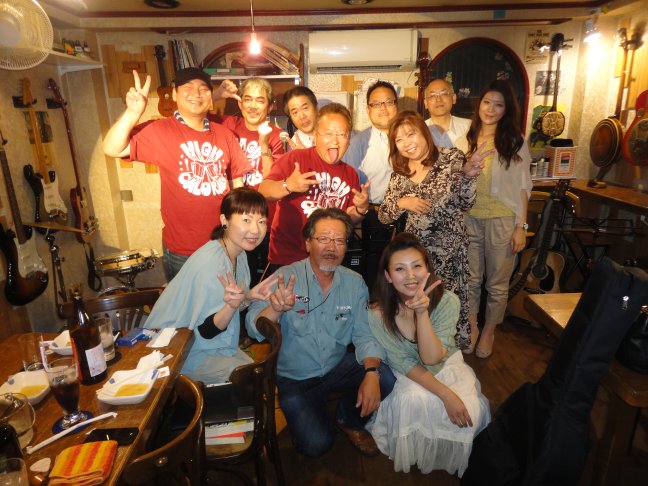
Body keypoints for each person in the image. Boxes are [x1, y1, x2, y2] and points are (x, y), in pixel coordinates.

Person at [246, 208, 396, 457]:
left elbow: (364, 334)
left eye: (339, 240)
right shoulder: (285, 276)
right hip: (295, 377)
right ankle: (314, 414)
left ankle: (348, 419)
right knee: (315, 446)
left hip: (336, 366)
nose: (331, 247)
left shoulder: (354, 282)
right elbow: (253, 326)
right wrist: (275, 309)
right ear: (308, 243)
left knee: (385, 377)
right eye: (323, 239)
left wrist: (371, 373)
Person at [102, 68, 250, 280]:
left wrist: (240, 232)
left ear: (210, 96)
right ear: (174, 94)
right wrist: (133, 113)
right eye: (188, 87)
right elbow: (111, 148)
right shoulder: (160, 130)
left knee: (230, 299)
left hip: (224, 244)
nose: (196, 93)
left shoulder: (225, 134)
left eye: (203, 89)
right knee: (186, 302)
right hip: (183, 250)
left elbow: (238, 185)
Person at [366, 233, 490, 476]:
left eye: (417, 266)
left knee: (468, 408)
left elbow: (433, 358)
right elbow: (402, 361)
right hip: (408, 371)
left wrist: (422, 314)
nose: (410, 276)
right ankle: (419, 450)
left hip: (445, 362)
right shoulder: (377, 314)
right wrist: (445, 394)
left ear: (427, 269)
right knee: (414, 400)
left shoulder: (447, 301)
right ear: (388, 276)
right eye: (400, 269)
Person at [144, 188, 277, 384]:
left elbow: (225, 306)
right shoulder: (213, 264)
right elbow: (207, 330)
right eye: (246, 220)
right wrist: (232, 305)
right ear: (224, 220)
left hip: (203, 343)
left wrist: (247, 297)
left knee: (258, 373)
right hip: (176, 351)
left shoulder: (239, 253)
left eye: (262, 221)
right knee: (252, 378)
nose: (255, 230)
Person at [378, 111, 482, 351]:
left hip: (449, 254)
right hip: (415, 260)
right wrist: (403, 203)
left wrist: (468, 177)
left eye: (411, 134)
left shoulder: (451, 158)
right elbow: (384, 215)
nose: (407, 143)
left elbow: (466, 203)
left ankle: (447, 356)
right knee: (417, 307)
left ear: (423, 132)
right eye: (399, 139)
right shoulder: (400, 173)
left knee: (447, 306)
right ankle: (419, 353)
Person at [458, 79, 532, 358]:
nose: (490, 109)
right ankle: (472, 327)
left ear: (506, 109)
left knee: (497, 283)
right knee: (471, 279)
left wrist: (521, 226)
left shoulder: (514, 140)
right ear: (479, 105)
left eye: (498, 105)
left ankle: (490, 330)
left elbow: (524, 187)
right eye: (487, 102)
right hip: (469, 218)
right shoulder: (467, 137)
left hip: (502, 219)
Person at [258, 103, 370, 274]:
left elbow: (348, 217)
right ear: (316, 135)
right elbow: (264, 191)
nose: (335, 140)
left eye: (342, 134)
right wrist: (288, 185)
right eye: (328, 134)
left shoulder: (351, 174)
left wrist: (361, 210)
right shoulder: (295, 158)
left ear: (348, 140)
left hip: (327, 261)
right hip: (288, 259)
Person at [211, 77, 285, 284]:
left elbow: (271, 179)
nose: (253, 106)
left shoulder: (278, 136)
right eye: (247, 99)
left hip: (265, 217)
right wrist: (217, 94)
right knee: (239, 276)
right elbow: (193, 114)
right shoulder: (227, 125)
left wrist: (264, 144)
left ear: (270, 106)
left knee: (267, 280)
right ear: (240, 103)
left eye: (260, 100)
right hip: (235, 217)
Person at [344, 80, 399, 287]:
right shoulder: (358, 142)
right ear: (368, 110)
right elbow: (351, 185)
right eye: (376, 103)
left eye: (388, 102)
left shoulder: (410, 136)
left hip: (408, 216)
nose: (383, 108)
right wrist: (357, 223)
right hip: (374, 218)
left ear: (397, 105)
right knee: (376, 278)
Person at [423, 78, 471, 149]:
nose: (438, 99)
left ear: (453, 98)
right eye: (432, 96)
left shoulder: (469, 127)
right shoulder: (420, 130)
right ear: (426, 103)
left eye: (444, 94)